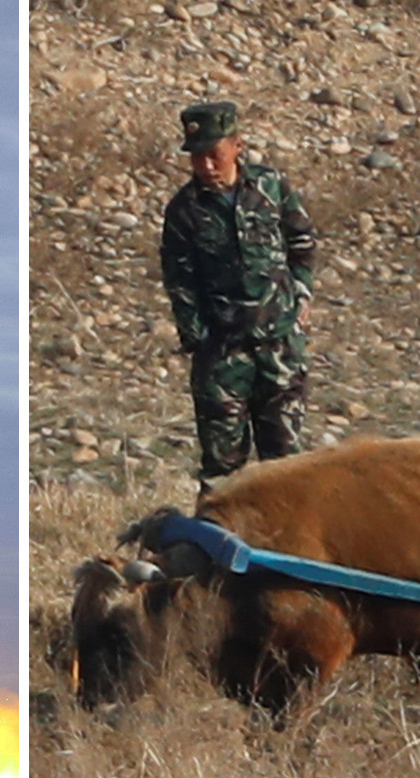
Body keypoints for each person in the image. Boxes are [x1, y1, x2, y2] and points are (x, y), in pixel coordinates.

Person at [160, 100, 316, 492]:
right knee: (222, 475)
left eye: (214, 155)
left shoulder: (270, 186)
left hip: (279, 346)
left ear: (237, 147)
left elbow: (302, 241)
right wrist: (197, 337)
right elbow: (179, 278)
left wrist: (301, 296)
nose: (206, 166)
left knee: (287, 469)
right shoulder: (185, 210)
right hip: (224, 357)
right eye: (197, 157)